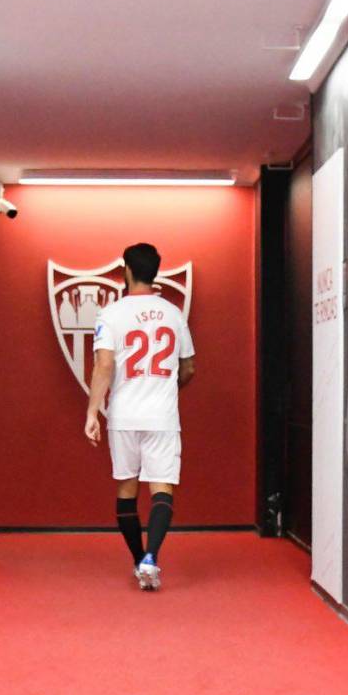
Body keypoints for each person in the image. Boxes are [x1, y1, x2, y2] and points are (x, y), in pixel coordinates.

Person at [84, 243, 196, 591]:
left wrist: (92, 411)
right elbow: (189, 367)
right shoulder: (173, 314)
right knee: (162, 487)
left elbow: (104, 365)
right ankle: (152, 556)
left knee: (126, 488)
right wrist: (167, 388)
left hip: (124, 414)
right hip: (162, 415)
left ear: (127, 271)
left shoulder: (111, 314)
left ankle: (138, 559)